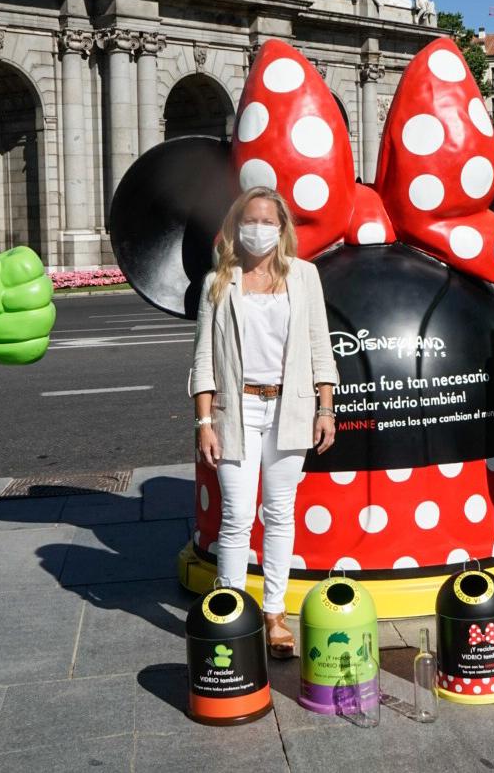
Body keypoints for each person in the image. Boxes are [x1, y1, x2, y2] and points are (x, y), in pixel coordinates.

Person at [190, 187, 338, 659]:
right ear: (237, 227)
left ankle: (275, 612)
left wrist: (326, 408)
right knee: (235, 514)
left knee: (279, 513)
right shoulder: (219, 281)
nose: (259, 229)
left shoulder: (305, 277)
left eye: (267, 221)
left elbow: (321, 347)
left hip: (289, 410)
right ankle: (232, 607)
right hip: (237, 411)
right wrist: (203, 423)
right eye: (249, 220)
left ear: (282, 227)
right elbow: (203, 360)